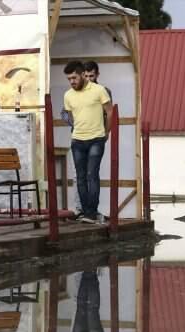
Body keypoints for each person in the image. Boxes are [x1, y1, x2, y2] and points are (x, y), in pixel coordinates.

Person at [63, 61, 112, 224]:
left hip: (96, 139)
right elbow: (68, 115)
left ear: (83, 75)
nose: (72, 81)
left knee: (92, 175)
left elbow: (110, 112)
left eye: (74, 78)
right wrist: (77, 126)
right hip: (77, 140)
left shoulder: (100, 90)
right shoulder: (68, 95)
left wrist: (106, 132)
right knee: (81, 177)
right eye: (69, 79)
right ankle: (85, 212)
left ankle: (91, 212)